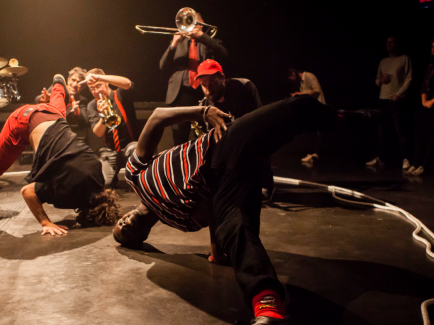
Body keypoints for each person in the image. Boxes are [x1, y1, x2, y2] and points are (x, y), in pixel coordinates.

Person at [114, 89, 378, 324]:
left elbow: (158, 116)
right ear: (143, 238)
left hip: (220, 146)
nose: (124, 226)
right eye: (125, 235)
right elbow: (215, 207)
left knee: (296, 107)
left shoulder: (134, 176)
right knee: (235, 229)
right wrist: (217, 248)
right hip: (228, 181)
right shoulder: (182, 223)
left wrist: (204, 111)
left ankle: (345, 120)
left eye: (119, 224)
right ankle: (269, 308)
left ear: (124, 214)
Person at [0, 75, 121, 234]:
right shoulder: (70, 190)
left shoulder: (98, 176)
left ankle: (59, 86)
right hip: (22, 122)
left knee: (59, 110)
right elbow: (28, 192)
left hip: (51, 114)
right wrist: (45, 222)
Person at [192, 59, 274, 199]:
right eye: (203, 85)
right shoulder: (207, 103)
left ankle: (265, 182)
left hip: (250, 136)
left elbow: (260, 121)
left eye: (212, 83)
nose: (208, 88)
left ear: (222, 78)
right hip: (228, 143)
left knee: (260, 141)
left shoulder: (244, 87)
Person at [160, 11, 228, 146]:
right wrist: (173, 44)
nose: (191, 27)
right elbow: (163, 66)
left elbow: (224, 55)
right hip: (182, 92)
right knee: (180, 136)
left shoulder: (209, 42)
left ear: (201, 25)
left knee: (207, 133)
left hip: (205, 91)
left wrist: (202, 36)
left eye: (194, 23)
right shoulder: (178, 43)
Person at [82, 69, 138, 187]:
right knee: (103, 183)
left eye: (99, 86)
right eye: (92, 88)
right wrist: (103, 116)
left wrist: (100, 77)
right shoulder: (92, 105)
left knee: (134, 149)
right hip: (110, 151)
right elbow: (98, 132)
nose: (96, 91)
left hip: (130, 146)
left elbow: (128, 83)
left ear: (106, 82)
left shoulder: (120, 94)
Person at [368, 35, 413, 169]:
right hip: (383, 99)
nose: (389, 44)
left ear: (397, 44)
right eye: (388, 42)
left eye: (392, 42)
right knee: (381, 131)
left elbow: (409, 79)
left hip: (396, 100)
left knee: (401, 131)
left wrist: (399, 94)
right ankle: (381, 158)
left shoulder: (404, 59)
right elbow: (376, 81)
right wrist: (380, 81)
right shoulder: (383, 61)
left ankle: (406, 159)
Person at [409, 38, 434, 176]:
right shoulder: (431, 65)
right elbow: (424, 84)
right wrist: (423, 99)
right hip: (425, 103)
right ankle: (415, 164)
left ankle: (424, 166)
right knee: (420, 135)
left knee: (433, 136)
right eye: (432, 46)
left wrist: (433, 100)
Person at [35, 67, 90, 144]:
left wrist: (77, 112)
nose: (74, 84)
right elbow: (37, 99)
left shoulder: (82, 100)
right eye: (73, 80)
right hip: (49, 131)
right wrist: (44, 100)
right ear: (68, 80)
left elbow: (85, 121)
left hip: (66, 137)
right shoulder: (59, 87)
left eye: (79, 82)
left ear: (83, 87)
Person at [288, 68, 326, 164]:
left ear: (294, 73)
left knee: (315, 131)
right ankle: (312, 153)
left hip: (318, 106)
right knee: (310, 131)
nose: (291, 79)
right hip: (311, 109)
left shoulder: (309, 75)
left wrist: (300, 94)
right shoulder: (301, 83)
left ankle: (314, 152)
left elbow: (316, 90)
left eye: (291, 76)